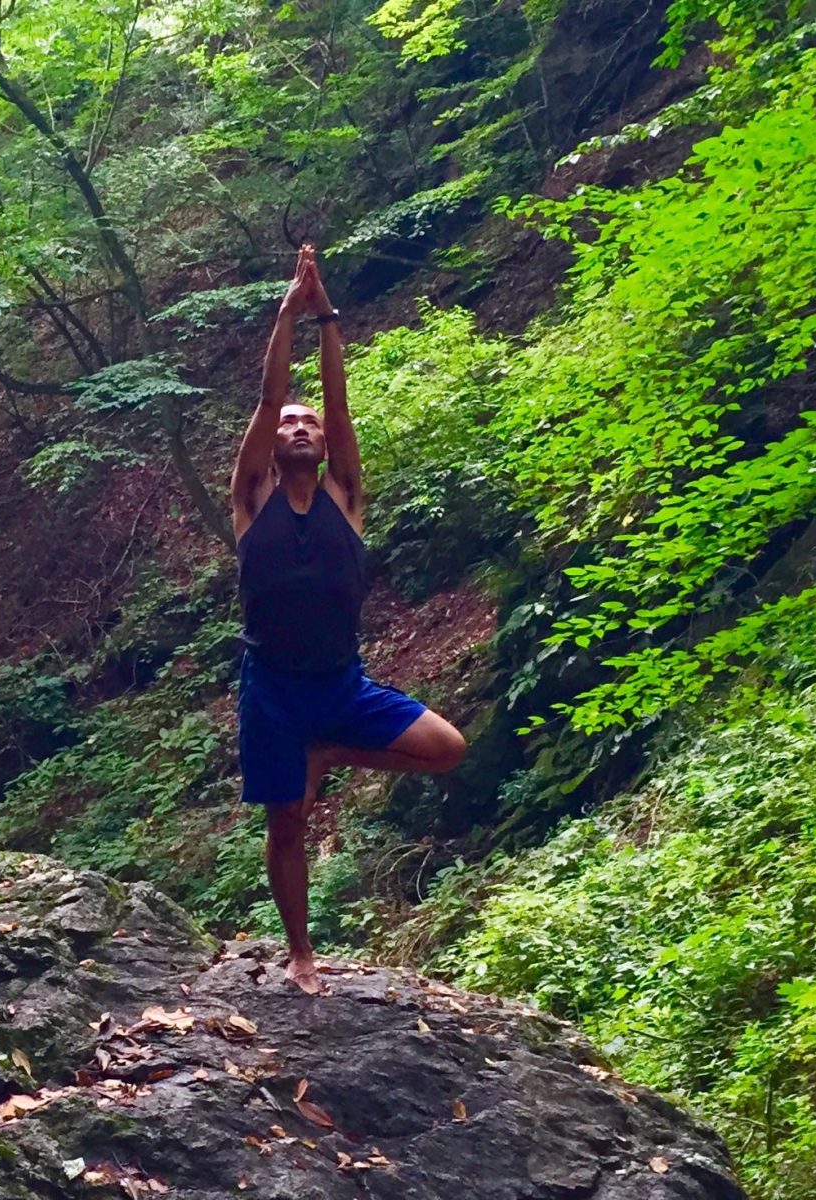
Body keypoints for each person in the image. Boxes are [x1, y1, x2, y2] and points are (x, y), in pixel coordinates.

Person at [229, 242, 466, 995]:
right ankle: (301, 953)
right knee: (287, 825)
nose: (298, 426)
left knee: (446, 747)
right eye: (288, 424)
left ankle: (330, 751)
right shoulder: (253, 501)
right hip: (271, 687)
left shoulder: (346, 500)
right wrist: (284, 317)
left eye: (309, 425)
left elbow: (338, 404)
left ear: (325, 446)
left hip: (340, 684)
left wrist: (328, 316)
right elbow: (269, 402)